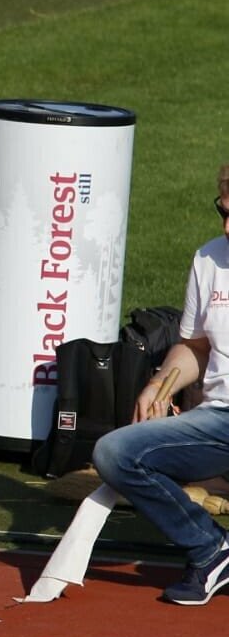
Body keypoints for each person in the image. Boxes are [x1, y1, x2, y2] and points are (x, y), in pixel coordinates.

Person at [92, 165, 229, 606]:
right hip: (218, 420)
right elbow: (196, 346)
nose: (227, 227)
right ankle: (211, 550)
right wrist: (160, 385)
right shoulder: (208, 259)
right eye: (223, 212)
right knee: (115, 452)